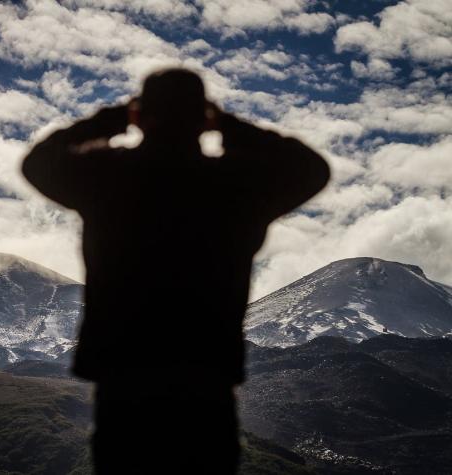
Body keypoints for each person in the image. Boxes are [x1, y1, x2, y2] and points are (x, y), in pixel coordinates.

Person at [22, 68, 330, 473]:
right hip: (206, 380)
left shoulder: (107, 176)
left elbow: (38, 163)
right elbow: (311, 168)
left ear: (140, 114)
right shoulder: (236, 184)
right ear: (203, 119)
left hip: (123, 378)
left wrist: (111, 119)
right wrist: (230, 126)